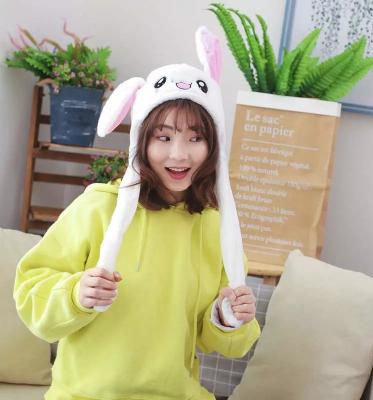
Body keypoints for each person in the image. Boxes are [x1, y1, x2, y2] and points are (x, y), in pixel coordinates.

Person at [13, 26, 260, 400]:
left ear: (214, 146)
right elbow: (32, 294)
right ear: (141, 142)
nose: (179, 154)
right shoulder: (98, 208)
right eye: (164, 137)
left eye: (196, 138)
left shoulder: (216, 228)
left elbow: (223, 344)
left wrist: (228, 317)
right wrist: (77, 293)